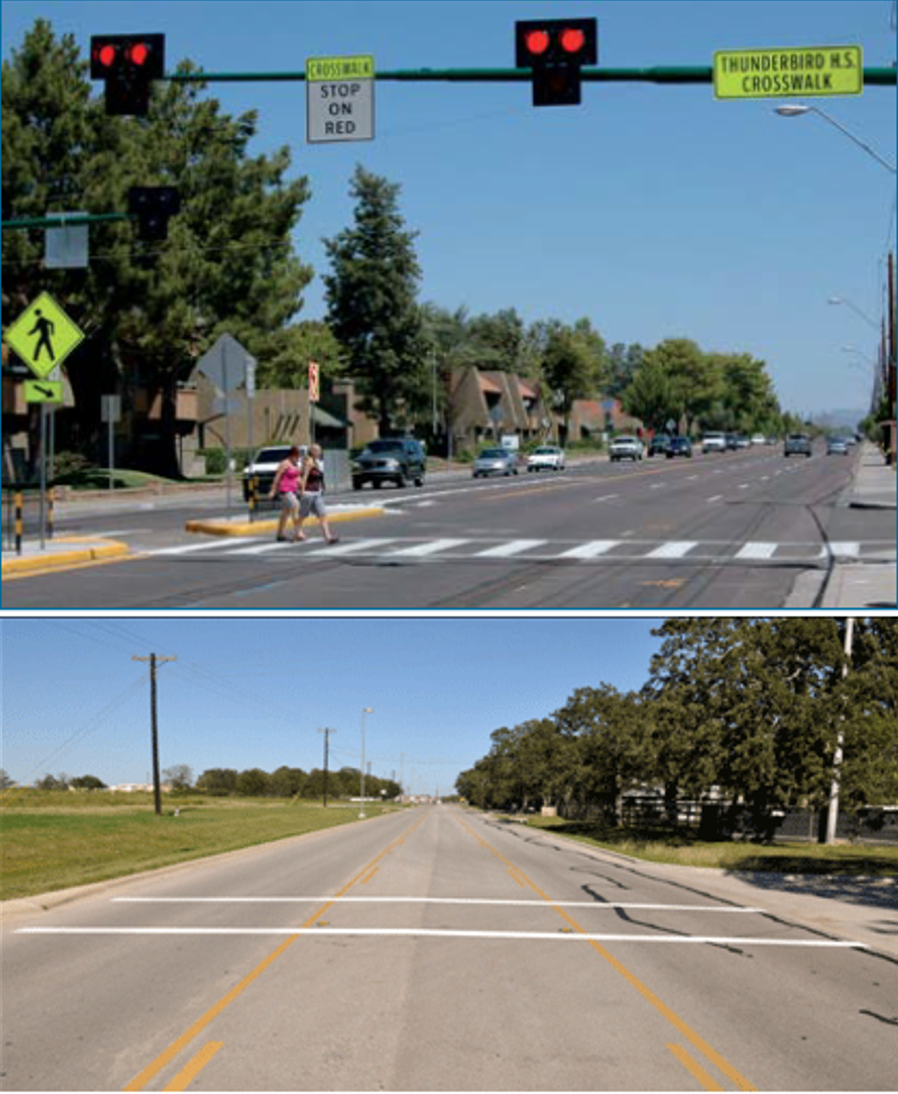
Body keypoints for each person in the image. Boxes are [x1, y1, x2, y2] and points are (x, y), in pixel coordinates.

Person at [297, 443, 339, 544]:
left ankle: (328, 537)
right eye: (318, 450)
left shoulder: (317, 462)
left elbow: (319, 477)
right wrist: (302, 491)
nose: (320, 452)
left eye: (320, 450)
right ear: (313, 452)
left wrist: (322, 486)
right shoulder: (309, 462)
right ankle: (298, 532)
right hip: (308, 493)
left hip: (317, 493)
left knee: (322, 514)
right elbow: (304, 477)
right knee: (303, 515)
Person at [268, 446, 305, 542]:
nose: (298, 458)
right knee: (296, 506)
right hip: (284, 490)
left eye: (298, 457)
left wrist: (302, 489)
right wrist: (272, 490)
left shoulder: (296, 465)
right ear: (292, 455)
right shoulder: (285, 463)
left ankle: (280, 534)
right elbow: (277, 477)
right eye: (296, 456)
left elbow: (298, 478)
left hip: (292, 491)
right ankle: (298, 533)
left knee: (285, 513)